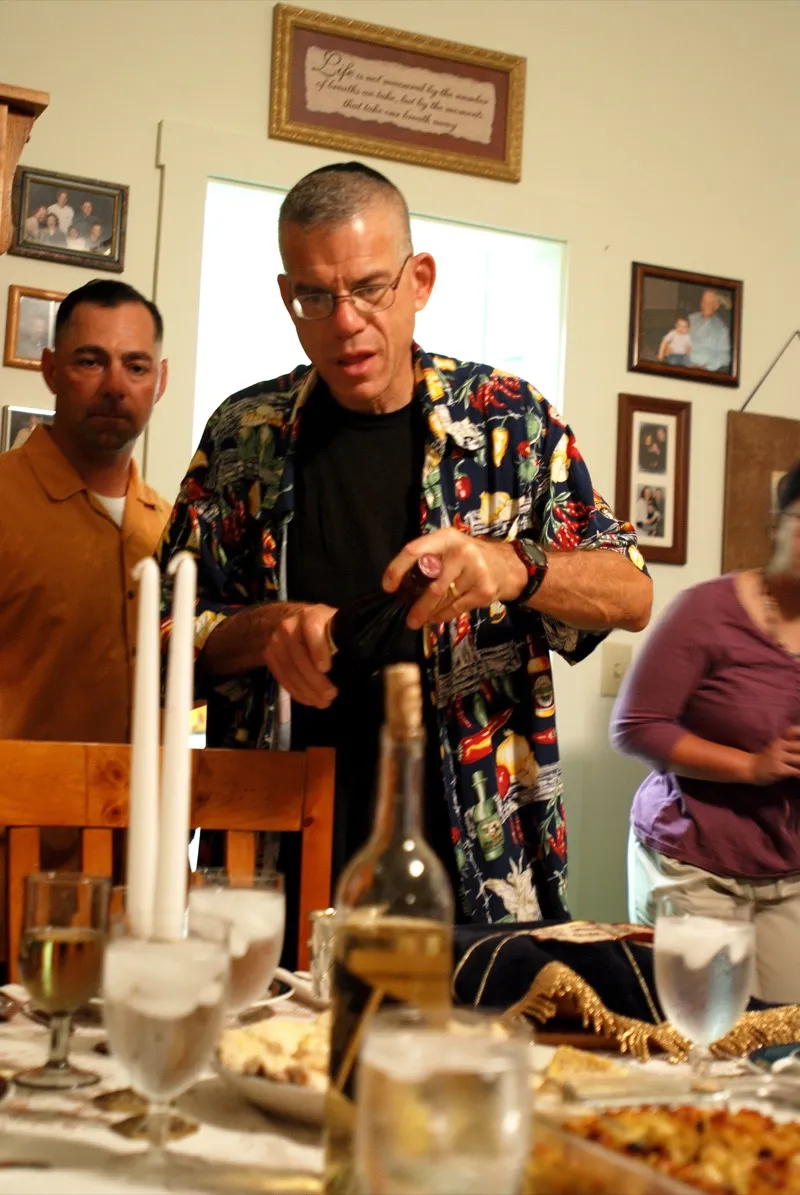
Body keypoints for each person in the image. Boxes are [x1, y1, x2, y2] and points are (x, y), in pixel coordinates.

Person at [159, 162, 651, 931]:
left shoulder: (507, 421)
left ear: (419, 279)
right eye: (315, 297)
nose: (345, 321)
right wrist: (266, 632)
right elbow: (162, 632)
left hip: (481, 857)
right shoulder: (241, 434)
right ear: (287, 297)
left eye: (369, 288)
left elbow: (632, 590)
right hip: (274, 853)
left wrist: (511, 566)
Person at [611, 462, 800, 1002]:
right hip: (693, 861)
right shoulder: (707, 611)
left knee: (782, 1038)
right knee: (703, 1034)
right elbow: (635, 728)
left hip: (789, 870)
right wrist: (752, 766)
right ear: (776, 523)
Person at [0, 278, 171, 745]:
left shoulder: (172, 530)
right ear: (52, 370)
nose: (115, 386)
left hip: (140, 815)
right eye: (91, 362)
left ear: (160, 382)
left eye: (136, 366)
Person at [688, 289, 731, 372]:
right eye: (704, 302)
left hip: (701, 368)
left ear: (716, 306)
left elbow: (725, 358)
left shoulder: (722, 330)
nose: (706, 305)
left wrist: (704, 368)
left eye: (710, 303)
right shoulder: (691, 318)